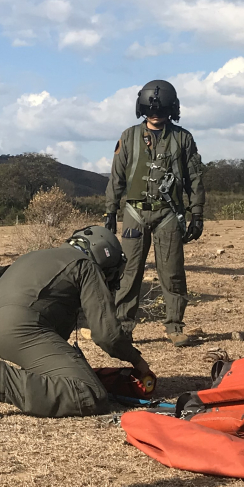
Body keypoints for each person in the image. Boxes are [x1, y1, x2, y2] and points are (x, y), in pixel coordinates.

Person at [0, 225, 152, 418]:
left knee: (64, 375)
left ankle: (10, 377)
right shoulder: (86, 265)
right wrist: (136, 360)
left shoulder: (39, 255)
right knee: (91, 394)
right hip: (19, 328)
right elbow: (108, 335)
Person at [104, 80, 206, 346]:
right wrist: (110, 211)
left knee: (172, 272)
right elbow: (116, 177)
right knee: (129, 273)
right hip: (134, 214)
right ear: (142, 109)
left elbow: (195, 179)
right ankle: (124, 328)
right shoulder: (128, 136)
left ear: (172, 109)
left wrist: (197, 213)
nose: (155, 114)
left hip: (169, 215)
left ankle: (174, 326)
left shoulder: (183, 138)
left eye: (161, 110)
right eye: (151, 110)